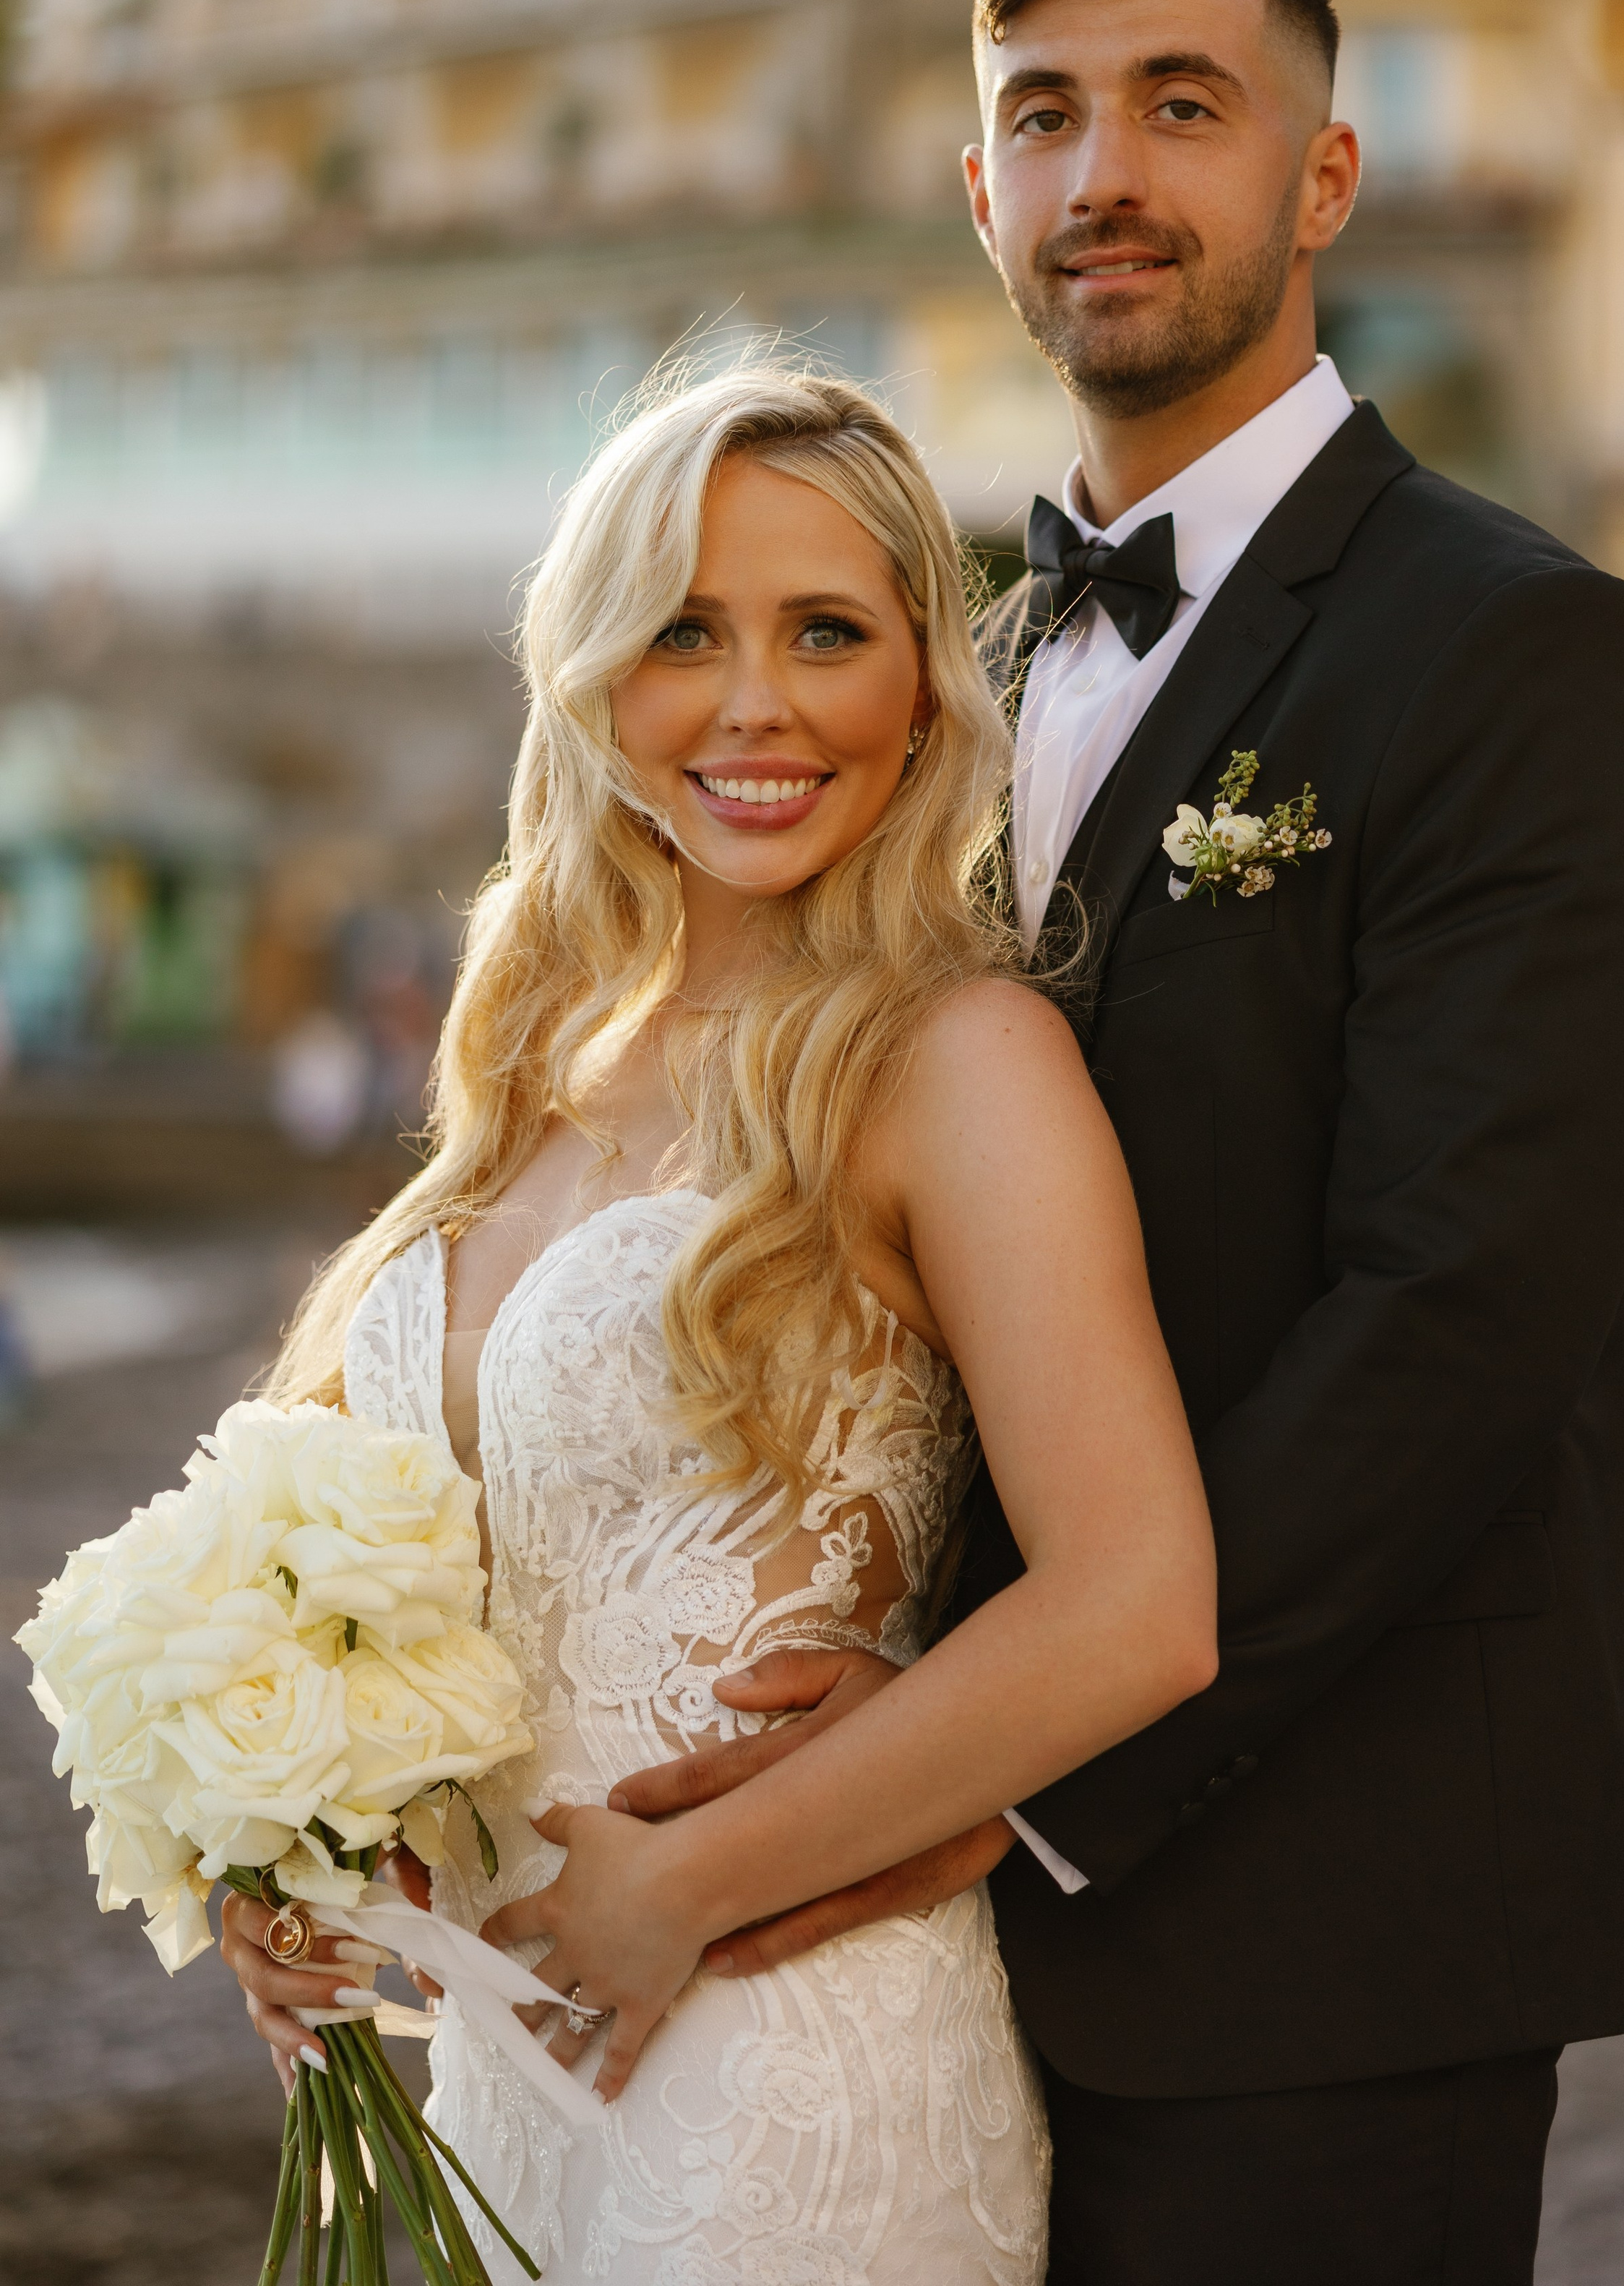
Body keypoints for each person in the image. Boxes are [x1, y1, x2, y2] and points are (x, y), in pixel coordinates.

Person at [614, 0, 1624, 2285]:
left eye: (1182, 108)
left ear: (1321, 182)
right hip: (926, 1930)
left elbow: (1470, 1315)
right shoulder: (953, 677)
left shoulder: (1524, 647)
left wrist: (1008, 1783)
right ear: (979, 197)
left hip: (1344, 1891)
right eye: (1045, 117)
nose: (1107, 170)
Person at [218, 363, 1219, 2283]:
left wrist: (681, 1884)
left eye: (825, 632)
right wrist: (298, 1859)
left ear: (921, 684)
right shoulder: (530, 1059)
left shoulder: (956, 1062)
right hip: (504, 2084)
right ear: (592, 674)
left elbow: (1137, 1601)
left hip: (790, 2077)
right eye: (686, 629)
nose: (756, 703)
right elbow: (432, 1594)